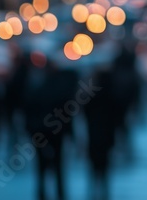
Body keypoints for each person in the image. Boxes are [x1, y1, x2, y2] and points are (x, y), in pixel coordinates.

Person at [24, 52, 76, 200]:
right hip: (50, 129)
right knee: (55, 163)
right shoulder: (56, 83)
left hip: (46, 129)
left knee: (46, 164)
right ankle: (55, 192)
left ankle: (46, 191)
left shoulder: (37, 82)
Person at [84, 68, 118, 199]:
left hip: (94, 134)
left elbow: (85, 112)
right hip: (107, 135)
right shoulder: (112, 96)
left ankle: (94, 187)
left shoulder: (92, 98)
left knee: (94, 163)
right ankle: (104, 187)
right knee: (105, 163)